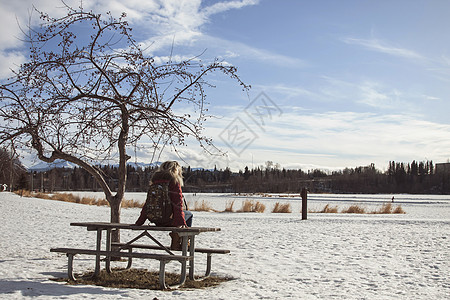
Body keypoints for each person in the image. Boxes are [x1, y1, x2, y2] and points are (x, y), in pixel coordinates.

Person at [135, 161, 193, 250]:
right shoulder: (174, 181)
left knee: (184, 215)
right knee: (189, 214)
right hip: (169, 220)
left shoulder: (155, 182)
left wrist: (139, 222)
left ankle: (177, 239)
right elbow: (177, 205)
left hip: (155, 219)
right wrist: (181, 224)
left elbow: (148, 204)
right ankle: (182, 241)